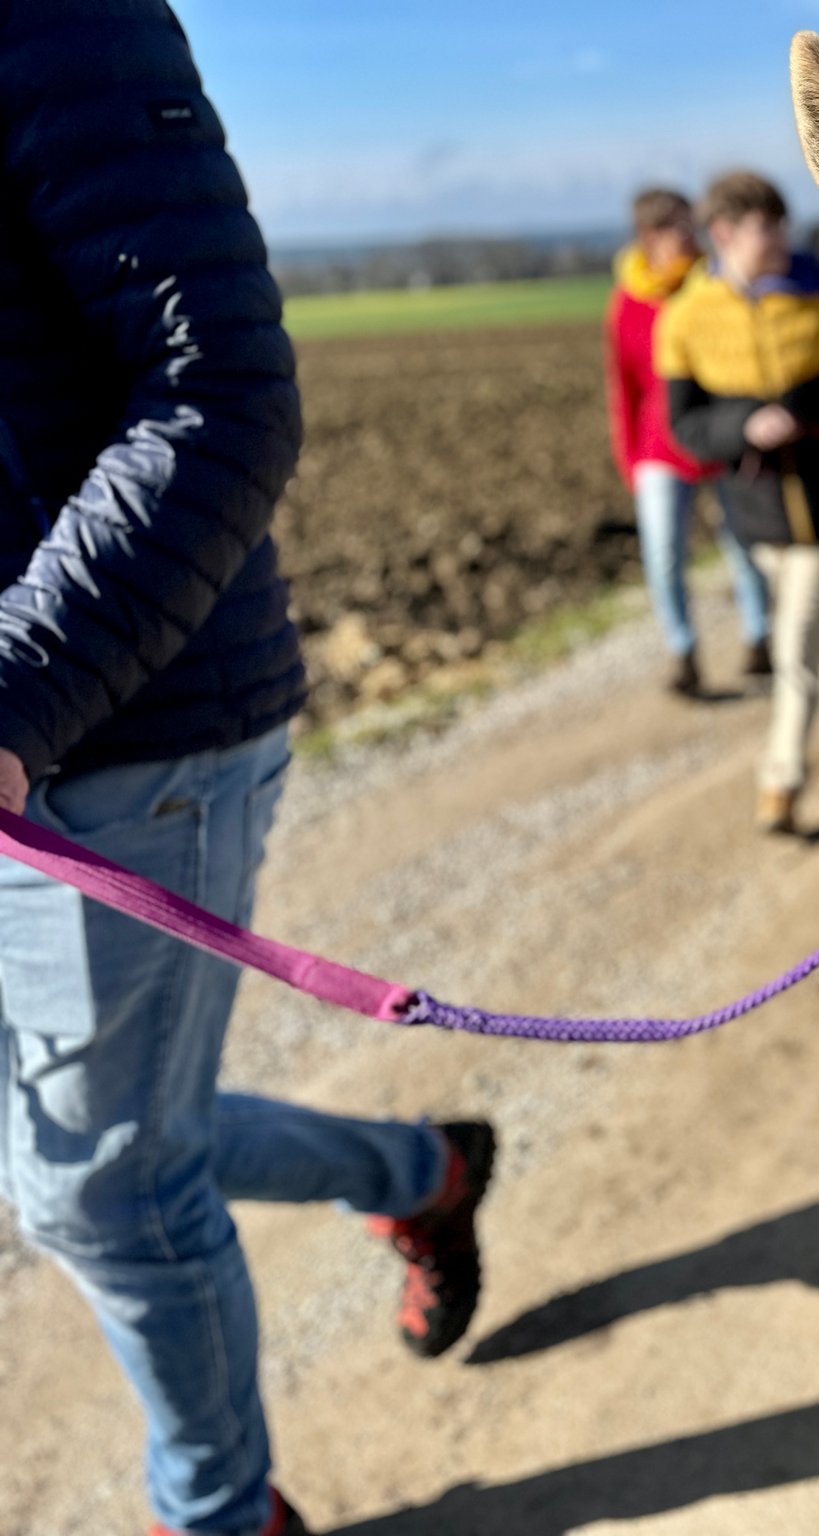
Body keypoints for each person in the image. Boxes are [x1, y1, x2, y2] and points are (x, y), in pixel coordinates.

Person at [0, 9, 494, 1534]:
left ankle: (220, 1516)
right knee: (119, 1137)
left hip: (120, 730)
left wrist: (13, 693)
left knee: (100, 1184)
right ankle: (420, 1167)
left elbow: (219, 397)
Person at [655, 172, 819, 836]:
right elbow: (685, 425)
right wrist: (745, 427)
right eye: (766, 225)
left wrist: (801, 412)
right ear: (723, 233)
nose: (780, 236)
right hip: (753, 509)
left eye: (782, 224)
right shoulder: (685, 321)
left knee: (795, 646)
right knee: (816, 630)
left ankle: (779, 781)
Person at [605, 187, 772, 696]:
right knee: (663, 557)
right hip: (658, 453)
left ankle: (760, 641)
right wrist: (629, 459)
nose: (692, 235)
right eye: (680, 226)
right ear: (650, 236)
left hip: (717, 440)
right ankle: (683, 655)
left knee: (743, 547)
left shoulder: (714, 285)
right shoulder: (628, 304)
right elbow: (624, 386)